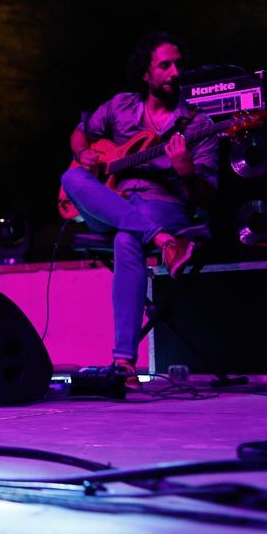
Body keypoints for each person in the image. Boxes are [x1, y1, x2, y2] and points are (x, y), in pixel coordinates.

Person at [60, 31, 218, 386]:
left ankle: (124, 363)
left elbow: (207, 198)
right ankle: (164, 242)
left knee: (125, 241)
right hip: (115, 204)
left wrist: (187, 174)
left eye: (179, 64)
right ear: (146, 74)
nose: (175, 72)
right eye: (165, 65)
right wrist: (83, 154)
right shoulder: (121, 107)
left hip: (165, 207)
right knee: (71, 179)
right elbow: (79, 134)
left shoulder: (198, 125)